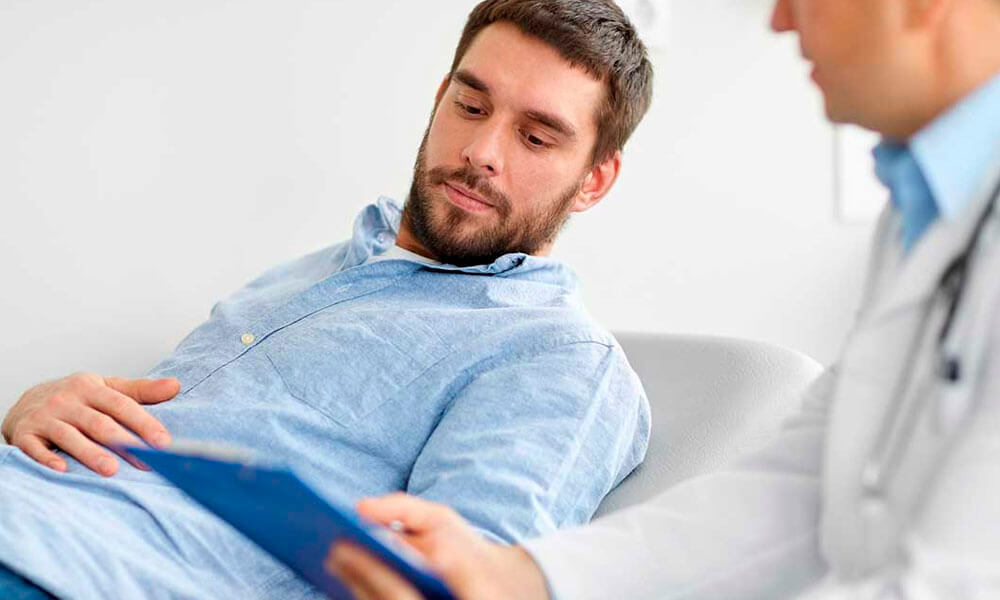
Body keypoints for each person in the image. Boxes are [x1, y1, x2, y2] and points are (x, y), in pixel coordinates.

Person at [326, 0, 1000, 598]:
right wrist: (523, 577)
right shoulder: (927, 214)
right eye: (471, 107)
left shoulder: (555, 359)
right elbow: (800, 490)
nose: (779, 19)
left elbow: (956, 582)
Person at [0, 1, 655, 598]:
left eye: (536, 137)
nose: (481, 151)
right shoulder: (320, 269)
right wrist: (39, 413)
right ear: (439, 99)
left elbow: (463, 584)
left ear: (594, 180)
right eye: (471, 106)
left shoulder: (561, 358)